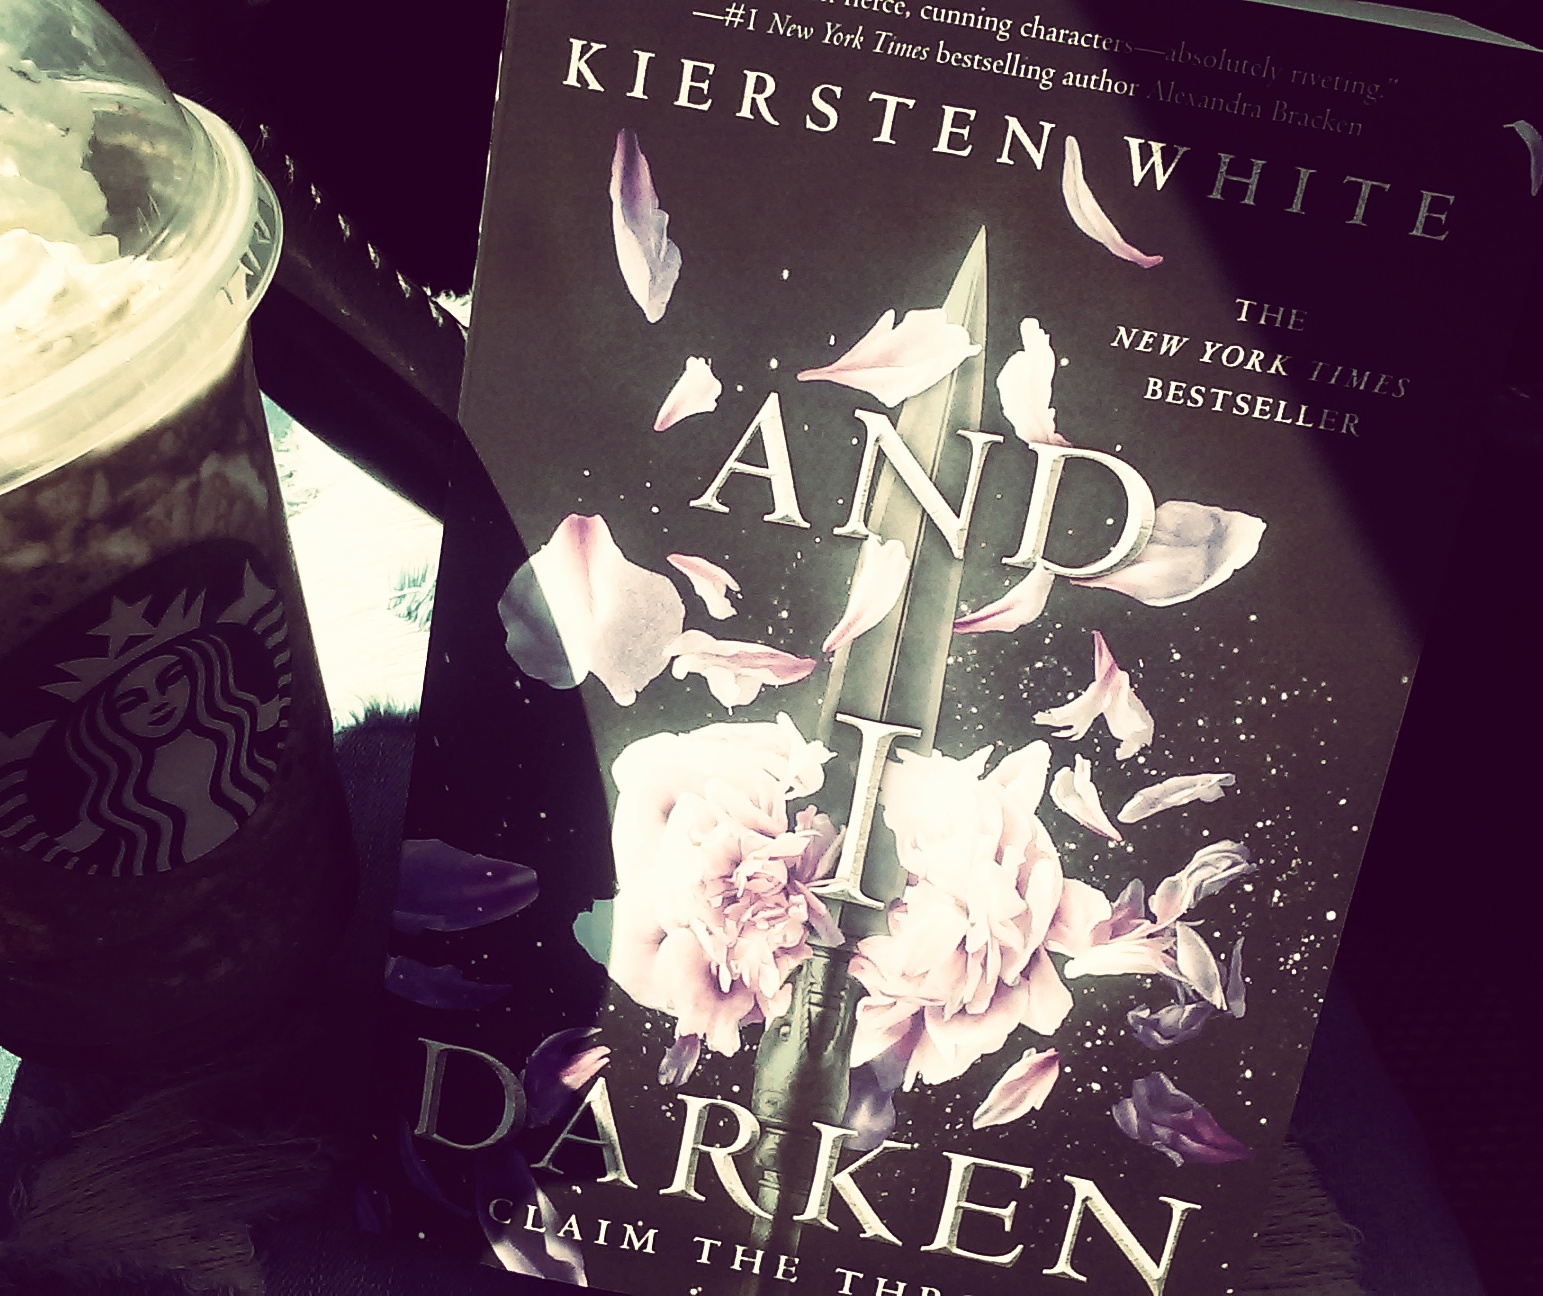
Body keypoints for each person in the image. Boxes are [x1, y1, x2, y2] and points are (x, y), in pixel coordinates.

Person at [56, 631, 282, 877]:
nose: (158, 701)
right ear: (104, 723)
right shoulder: (115, 805)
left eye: (172, 678)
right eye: (131, 702)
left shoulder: (238, 741)